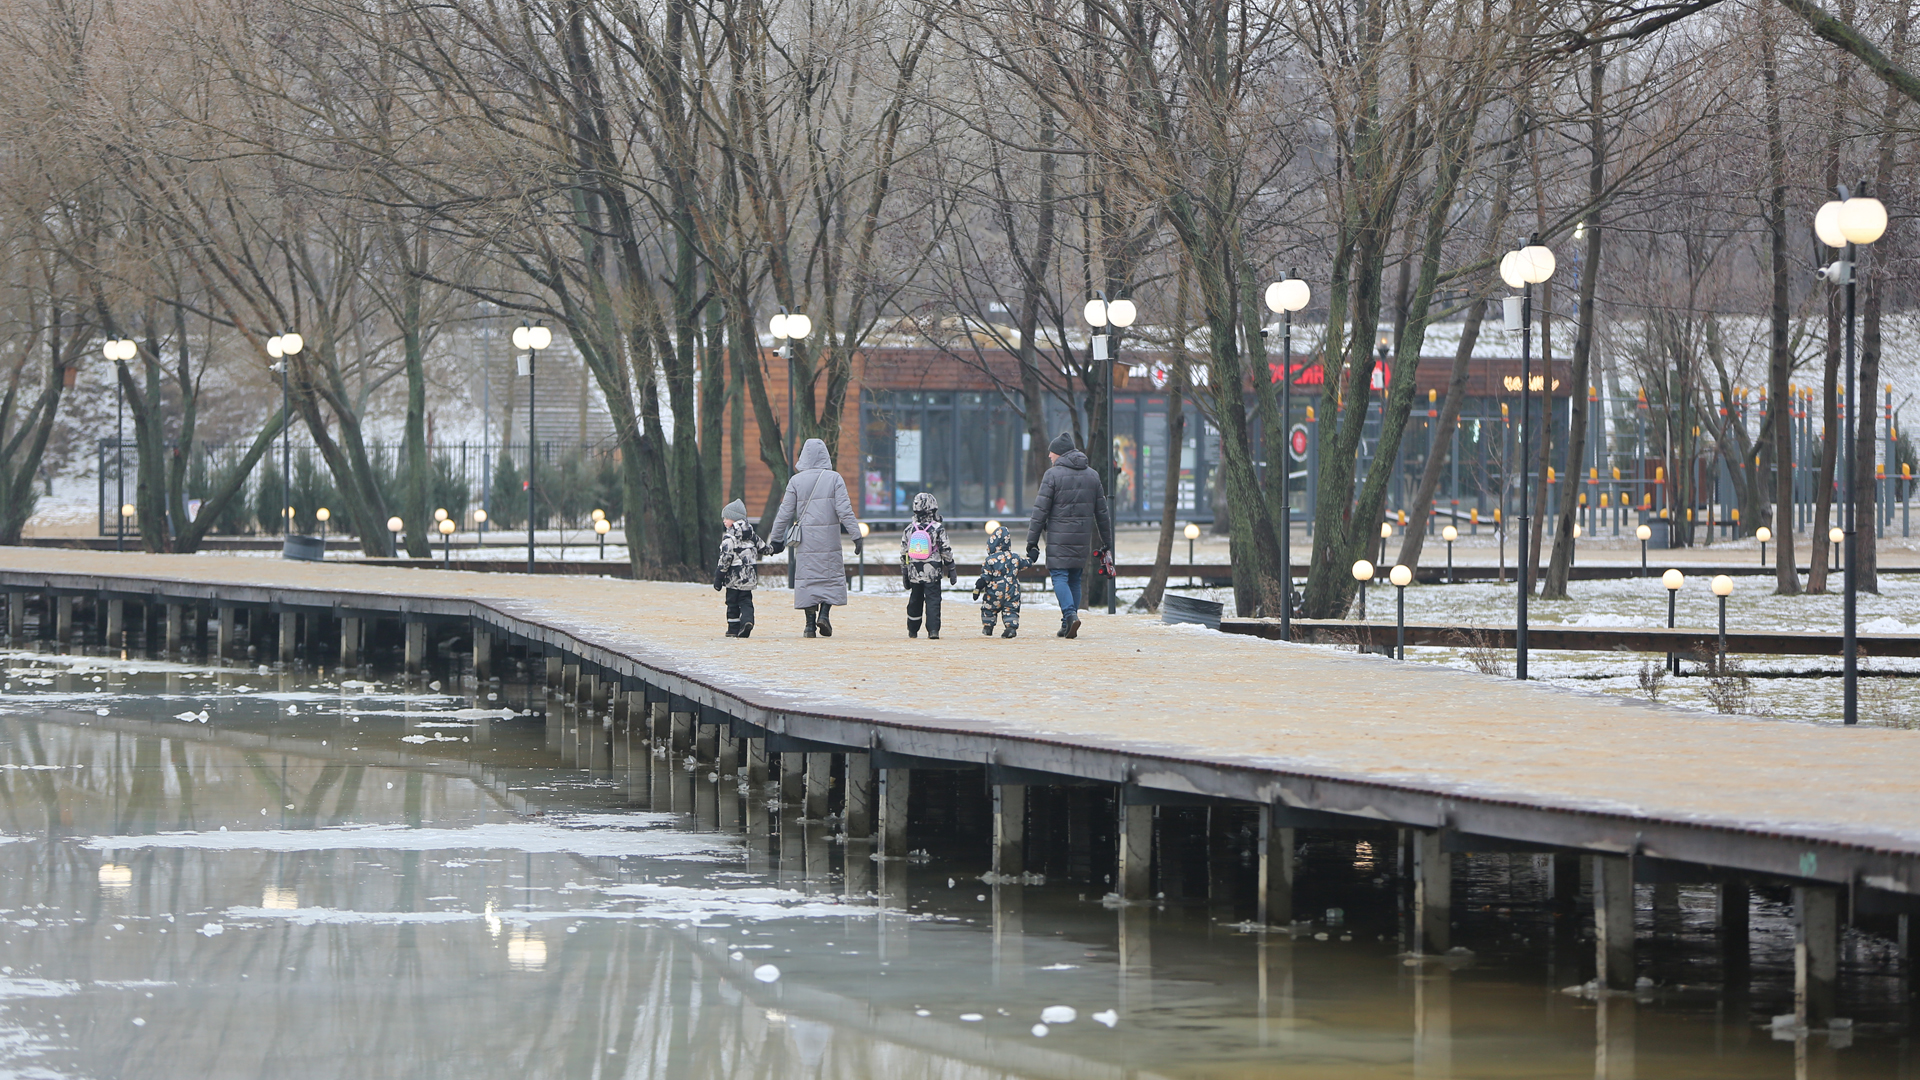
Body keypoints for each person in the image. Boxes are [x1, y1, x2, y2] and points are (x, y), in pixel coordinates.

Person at [768, 437, 861, 638]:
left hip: (805, 541)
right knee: (829, 578)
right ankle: (824, 615)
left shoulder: (795, 481)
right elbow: (845, 510)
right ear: (825, 456)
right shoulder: (835, 478)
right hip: (829, 540)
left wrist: (776, 539)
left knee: (807, 580)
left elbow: (784, 512)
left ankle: (809, 626)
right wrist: (856, 535)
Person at [1025, 432, 1113, 638]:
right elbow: (1102, 513)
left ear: (1061, 454)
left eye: (1052, 452)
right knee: (1074, 577)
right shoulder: (1093, 475)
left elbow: (1040, 512)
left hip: (1059, 536)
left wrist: (1032, 542)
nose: (1049, 456)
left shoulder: (1052, 476)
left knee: (1059, 576)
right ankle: (1067, 624)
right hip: (1082, 537)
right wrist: (1107, 542)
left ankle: (1070, 615)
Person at [900, 492, 956, 639]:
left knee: (915, 600)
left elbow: (904, 552)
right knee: (933, 601)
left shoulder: (909, 529)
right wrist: (951, 567)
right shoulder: (938, 528)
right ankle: (933, 630)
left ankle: (912, 629)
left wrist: (905, 572)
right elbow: (945, 549)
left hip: (914, 572)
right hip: (933, 572)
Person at [713, 499, 769, 638]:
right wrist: (775, 548)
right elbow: (764, 548)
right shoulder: (752, 535)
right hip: (749, 576)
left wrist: (719, 577)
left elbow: (725, 559)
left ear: (734, 519)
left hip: (733, 578)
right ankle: (747, 621)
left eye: (726, 518)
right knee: (746, 601)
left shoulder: (729, 539)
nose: (724, 521)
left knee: (732, 603)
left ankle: (733, 629)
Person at [973, 525, 1031, 637]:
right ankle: (1010, 628)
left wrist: (977, 588)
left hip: (994, 591)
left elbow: (985, 577)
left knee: (989, 607)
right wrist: (1032, 556)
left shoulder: (990, 560)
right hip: (1012, 590)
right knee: (1011, 608)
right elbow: (1026, 563)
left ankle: (988, 626)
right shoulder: (1015, 557)